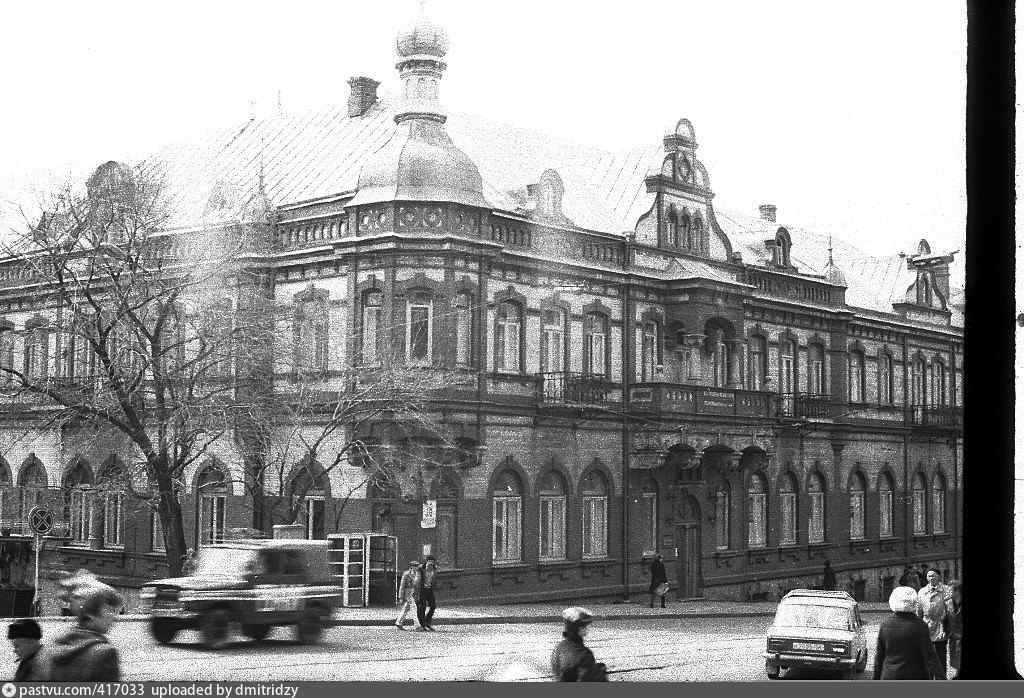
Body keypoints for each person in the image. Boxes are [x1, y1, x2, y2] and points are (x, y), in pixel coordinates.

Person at [34, 581, 122, 681]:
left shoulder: (50, 647)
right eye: (109, 610)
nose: (114, 617)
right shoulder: (105, 653)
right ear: (91, 615)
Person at [873, 586, 944, 680]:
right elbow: (930, 655)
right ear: (914, 602)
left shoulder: (885, 625)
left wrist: (875, 679)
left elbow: (879, 656)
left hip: (890, 676)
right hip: (916, 676)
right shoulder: (920, 625)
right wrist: (941, 677)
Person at [550, 607, 608, 681]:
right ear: (579, 628)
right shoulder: (585, 655)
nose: (587, 629)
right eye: (585, 626)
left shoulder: (559, 647)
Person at [917, 569, 953, 676]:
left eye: (933, 576)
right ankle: (928, 677)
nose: (931, 578)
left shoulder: (947, 590)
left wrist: (948, 625)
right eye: (929, 576)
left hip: (940, 626)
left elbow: (950, 610)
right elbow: (919, 611)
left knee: (940, 654)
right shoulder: (922, 591)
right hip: (926, 626)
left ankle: (940, 678)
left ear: (939, 577)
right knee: (926, 655)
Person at [395, 559, 423, 631]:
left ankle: (398, 622)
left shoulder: (418, 575)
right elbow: (402, 585)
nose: (415, 568)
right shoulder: (406, 574)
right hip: (408, 593)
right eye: (414, 566)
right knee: (414, 608)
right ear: (411, 567)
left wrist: (418, 595)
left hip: (414, 594)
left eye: (416, 566)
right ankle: (417, 625)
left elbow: (418, 587)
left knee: (406, 609)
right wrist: (400, 597)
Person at [416, 555, 438, 631]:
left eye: (432, 562)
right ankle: (422, 625)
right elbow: (417, 580)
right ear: (427, 561)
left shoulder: (434, 569)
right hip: (422, 590)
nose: (431, 563)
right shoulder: (421, 568)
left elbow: (434, 579)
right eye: (429, 561)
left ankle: (427, 622)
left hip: (429, 590)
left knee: (433, 606)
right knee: (422, 607)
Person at [947, 580, 962, 674]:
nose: (948, 593)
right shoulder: (948, 603)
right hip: (953, 636)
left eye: (950, 591)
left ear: (957, 591)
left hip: (962, 634)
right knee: (954, 662)